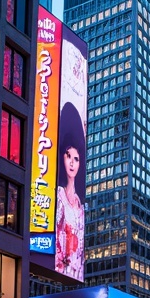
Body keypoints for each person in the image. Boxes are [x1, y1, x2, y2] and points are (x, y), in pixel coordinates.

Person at [54, 102, 86, 279]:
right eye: (68, 157)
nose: (72, 162)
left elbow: (81, 250)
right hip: (59, 267)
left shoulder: (80, 208)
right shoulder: (58, 197)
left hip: (75, 272)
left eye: (76, 158)